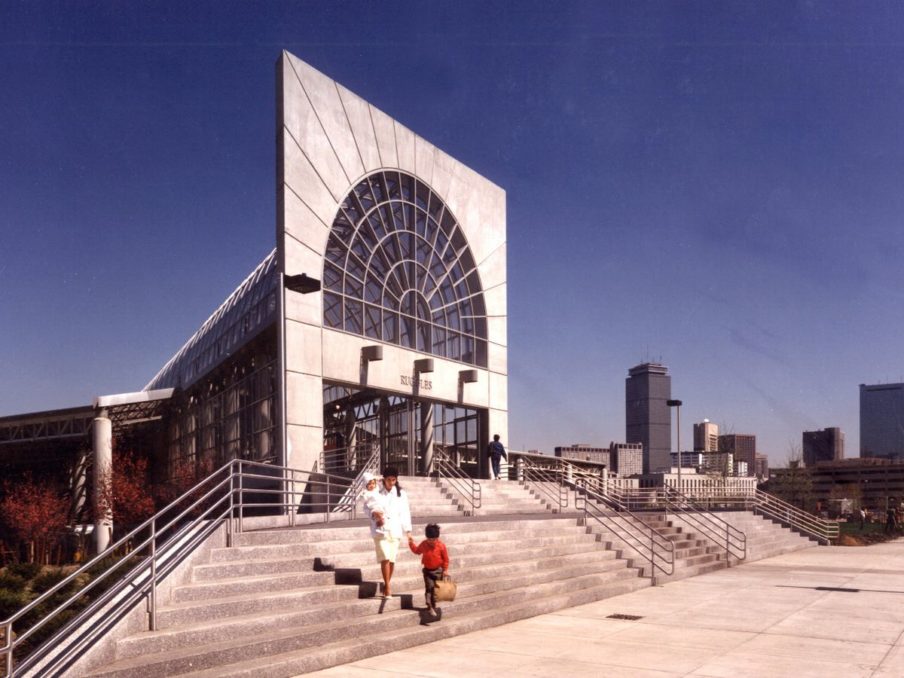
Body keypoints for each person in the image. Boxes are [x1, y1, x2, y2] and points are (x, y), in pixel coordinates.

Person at [368, 466, 412, 598]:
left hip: (395, 530)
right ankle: (387, 587)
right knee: (385, 558)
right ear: (383, 479)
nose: (391, 483)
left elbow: (405, 512)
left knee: (391, 560)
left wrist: (408, 531)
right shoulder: (376, 492)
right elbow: (367, 507)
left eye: (394, 480)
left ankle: (386, 584)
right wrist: (374, 515)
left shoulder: (401, 494)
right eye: (389, 480)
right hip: (380, 530)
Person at [408, 523, 449, 618]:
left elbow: (446, 559)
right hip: (427, 571)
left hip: (438, 571)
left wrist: (445, 570)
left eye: (433, 539)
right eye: (429, 539)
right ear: (426, 538)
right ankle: (429, 604)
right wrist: (411, 543)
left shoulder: (441, 546)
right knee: (429, 587)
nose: (431, 542)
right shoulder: (424, 544)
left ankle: (432, 606)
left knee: (435, 590)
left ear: (437, 538)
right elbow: (417, 551)